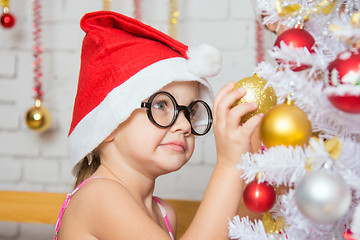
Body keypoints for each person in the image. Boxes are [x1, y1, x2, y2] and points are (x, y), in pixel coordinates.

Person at [54, 11, 263, 240]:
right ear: (109, 125)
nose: (184, 125)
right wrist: (229, 164)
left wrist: (250, 160)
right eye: (162, 105)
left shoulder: (163, 213)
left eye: (190, 112)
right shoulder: (99, 195)